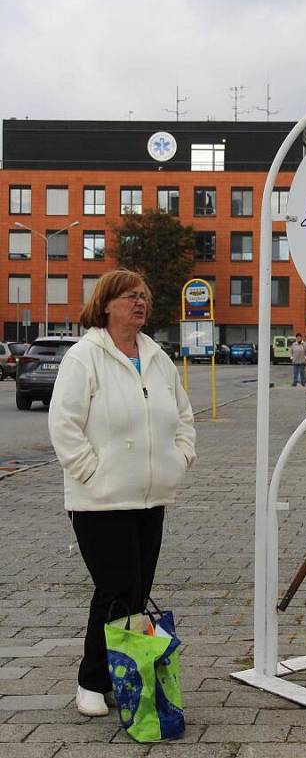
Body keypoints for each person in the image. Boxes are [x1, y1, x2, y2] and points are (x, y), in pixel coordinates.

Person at [48, 269, 196, 717]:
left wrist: (179, 458)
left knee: (137, 592)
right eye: (131, 296)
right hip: (100, 499)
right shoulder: (84, 357)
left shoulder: (157, 357)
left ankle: (121, 675)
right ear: (107, 303)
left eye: (144, 296)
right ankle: (90, 682)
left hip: (150, 497)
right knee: (115, 589)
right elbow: (64, 424)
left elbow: (184, 415)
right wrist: (90, 472)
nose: (140, 302)